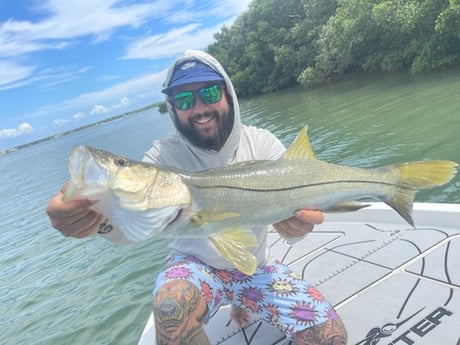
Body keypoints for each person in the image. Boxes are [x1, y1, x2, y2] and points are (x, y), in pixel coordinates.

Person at [46, 50, 347, 344]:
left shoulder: (262, 143)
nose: (200, 107)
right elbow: (130, 226)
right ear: (172, 108)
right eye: (184, 100)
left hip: (255, 267)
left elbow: (305, 212)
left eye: (211, 93)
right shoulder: (162, 156)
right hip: (192, 268)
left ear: (229, 93)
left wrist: (301, 226)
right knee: (170, 308)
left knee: (329, 336)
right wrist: (97, 219)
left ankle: (243, 300)